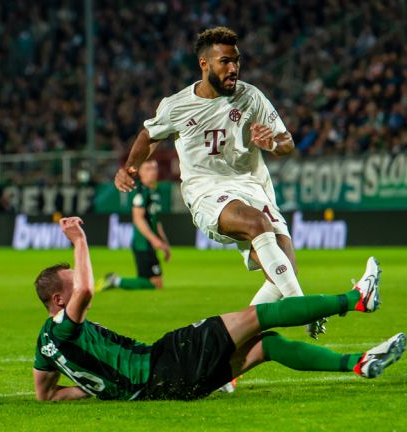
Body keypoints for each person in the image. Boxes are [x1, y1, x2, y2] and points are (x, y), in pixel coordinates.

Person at [33, 217, 406, 401]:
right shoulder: (63, 325)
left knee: (268, 346)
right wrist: (79, 241)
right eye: (71, 282)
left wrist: (102, 389)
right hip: (165, 361)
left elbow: (46, 394)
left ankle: (359, 363)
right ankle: (356, 299)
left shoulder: (45, 346)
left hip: (169, 390)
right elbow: (86, 291)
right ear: (58, 301)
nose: (79, 283)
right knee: (257, 316)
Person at [114, 26, 323, 339]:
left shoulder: (251, 97)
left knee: (284, 271)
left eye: (236, 61)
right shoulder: (177, 105)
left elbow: (287, 142)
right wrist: (130, 167)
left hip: (253, 186)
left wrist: (271, 144)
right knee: (258, 224)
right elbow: (149, 134)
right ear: (205, 64)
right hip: (206, 191)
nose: (233, 68)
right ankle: (304, 307)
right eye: (225, 61)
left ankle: (231, 348)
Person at [97, 160, 170, 291]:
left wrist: (164, 242)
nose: (152, 172)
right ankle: (115, 281)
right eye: (148, 169)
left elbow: (156, 221)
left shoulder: (155, 191)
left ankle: (115, 281)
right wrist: (154, 240)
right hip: (142, 243)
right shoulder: (141, 191)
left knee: (152, 282)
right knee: (156, 284)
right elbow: (138, 219)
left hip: (149, 243)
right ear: (140, 172)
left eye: (154, 168)